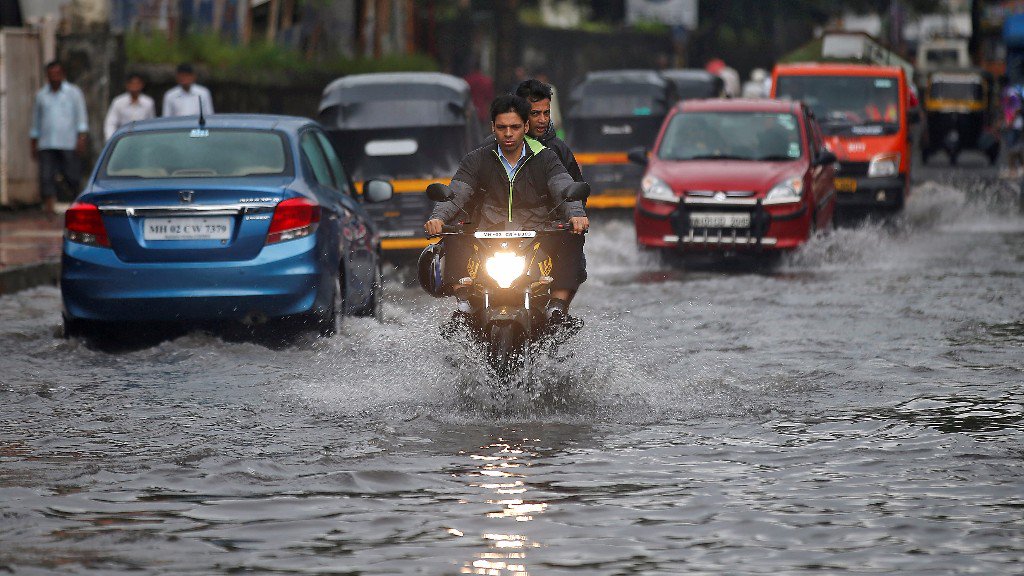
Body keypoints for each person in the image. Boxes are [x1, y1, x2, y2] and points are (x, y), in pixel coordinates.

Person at [424, 94, 589, 323]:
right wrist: (438, 218)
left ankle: (557, 309)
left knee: (572, 237)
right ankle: (463, 306)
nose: (508, 133)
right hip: (487, 238)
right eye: (502, 127)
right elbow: (457, 193)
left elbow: (563, 187)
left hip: (536, 237)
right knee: (456, 233)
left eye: (515, 127)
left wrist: (577, 215)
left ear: (526, 127)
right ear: (493, 127)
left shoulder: (546, 158)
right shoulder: (477, 159)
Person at [30, 60, 88, 216]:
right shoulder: (41, 95)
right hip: (47, 142)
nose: (54, 77)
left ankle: (75, 205)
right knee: (46, 176)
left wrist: (81, 137)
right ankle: (49, 207)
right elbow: (36, 120)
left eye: (57, 73)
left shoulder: (74, 93)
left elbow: (81, 116)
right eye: (51, 74)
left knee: (71, 175)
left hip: (68, 142)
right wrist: (34, 140)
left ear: (63, 74)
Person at [103, 73, 156, 140]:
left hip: (143, 139)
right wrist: (111, 139)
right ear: (127, 85)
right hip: (123, 139)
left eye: (137, 83)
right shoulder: (118, 102)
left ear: (142, 85)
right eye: (132, 83)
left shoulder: (148, 102)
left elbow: (151, 124)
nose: (135, 86)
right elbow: (111, 123)